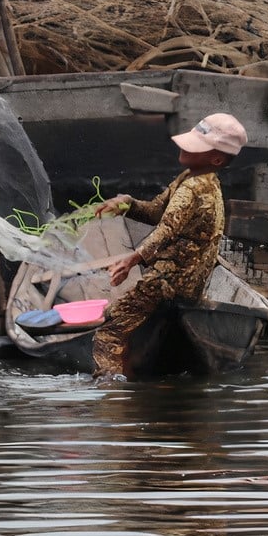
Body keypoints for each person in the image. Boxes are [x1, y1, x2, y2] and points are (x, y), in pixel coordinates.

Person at [89, 112, 247, 379]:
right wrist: (127, 203)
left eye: (197, 145)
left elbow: (166, 229)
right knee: (128, 322)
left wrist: (133, 259)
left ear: (216, 159)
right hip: (185, 280)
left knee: (109, 331)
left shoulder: (193, 188)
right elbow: (155, 213)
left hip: (169, 280)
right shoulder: (194, 178)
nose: (185, 146)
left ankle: (110, 392)